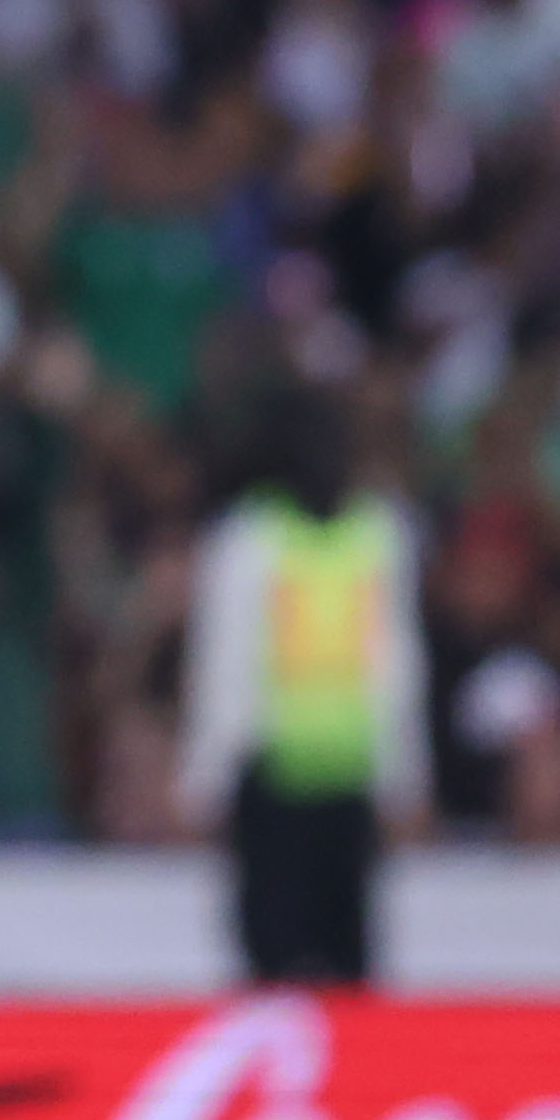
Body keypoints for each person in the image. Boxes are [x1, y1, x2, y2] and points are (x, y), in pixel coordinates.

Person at [178, 385, 431, 983]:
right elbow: (228, 671)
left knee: (335, 965)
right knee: (284, 962)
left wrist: (405, 780)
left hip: (334, 783)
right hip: (280, 782)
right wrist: (206, 780)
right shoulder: (258, 539)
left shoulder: (366, 532)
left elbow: (394, 665)